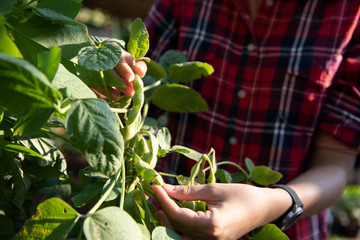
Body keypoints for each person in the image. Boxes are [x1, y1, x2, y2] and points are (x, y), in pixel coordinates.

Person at [102, 0, 360, 239]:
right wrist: (115, 76)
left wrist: (267, 206)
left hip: (288, 227)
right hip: (162, 220)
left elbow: (335, 166)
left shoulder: (348, 12)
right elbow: (139, 84)